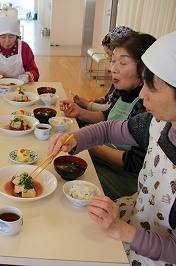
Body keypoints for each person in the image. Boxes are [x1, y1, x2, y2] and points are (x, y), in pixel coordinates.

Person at [48, 31, 176, 265]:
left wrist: (120, 230)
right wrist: (74, 138)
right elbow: (108, 129)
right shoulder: (158, 122)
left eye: (151, 87)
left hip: (152, 251)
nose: (143, 94)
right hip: (136, 215)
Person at [60, 32, 156, 200]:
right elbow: (108, 118)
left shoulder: (147, 106)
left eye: (123, 63)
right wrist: (80, 113)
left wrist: (95, 148)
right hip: (105, 156)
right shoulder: (123, 90)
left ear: (144, 70)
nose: (114, 69)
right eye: (113, 61)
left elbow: (134, 163)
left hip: (124, 177)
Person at [74, 26, 135, 112]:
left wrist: (87, 105)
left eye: (110, 54)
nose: (109, 59)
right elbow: (111, 99)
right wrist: (102, 100)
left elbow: (110, 111)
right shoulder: (119, 80)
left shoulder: (126, 83)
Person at [0, 17, 39, 82]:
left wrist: (31, 75)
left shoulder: (24, 48)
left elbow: (34, 71)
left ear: (17, 37)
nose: (7, 41)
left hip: (20, 88)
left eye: (11, 36)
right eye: (3, 36)